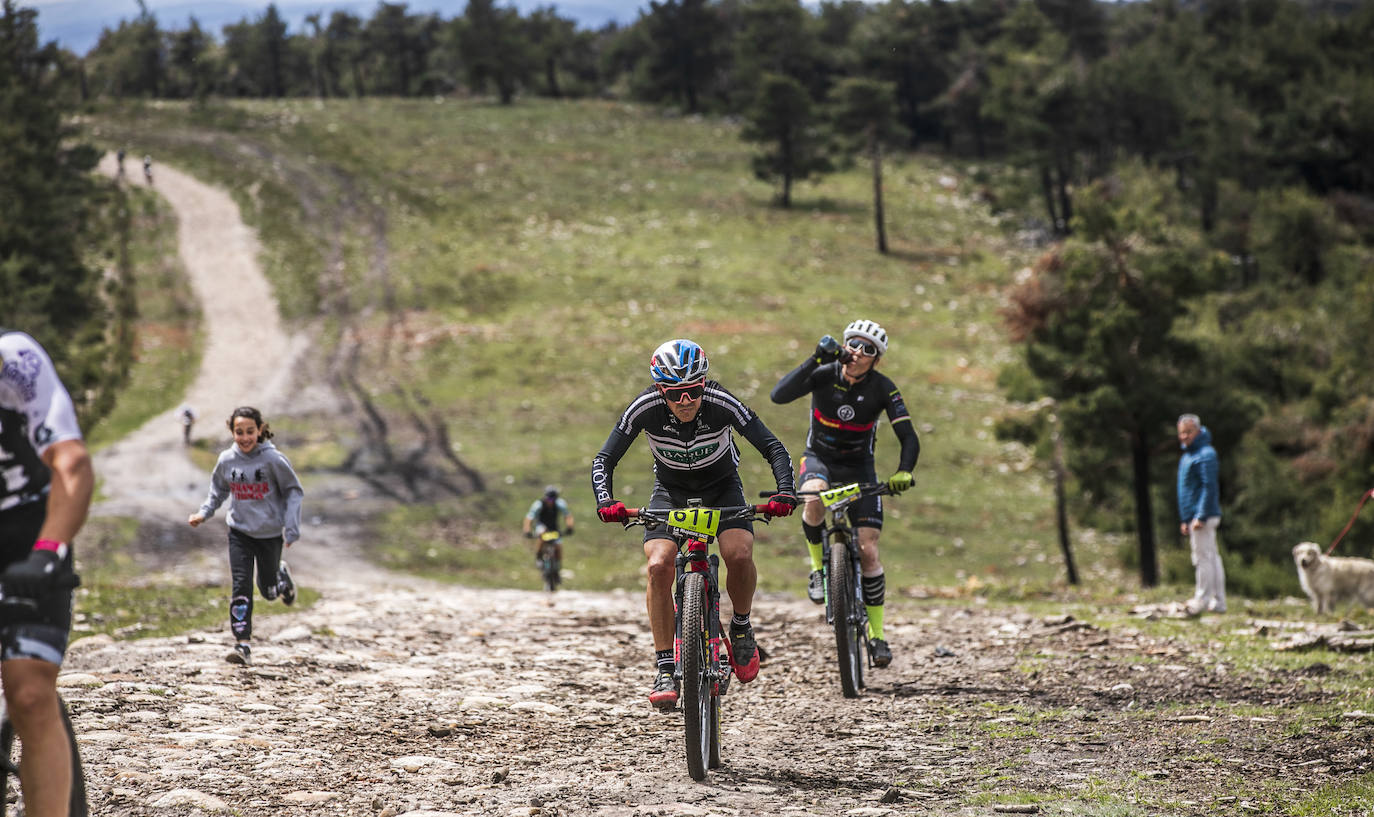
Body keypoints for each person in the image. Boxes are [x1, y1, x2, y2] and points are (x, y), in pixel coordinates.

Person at [592, 339, 796, 710]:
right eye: (675, 394)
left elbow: (773, 447)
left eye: (693, 391)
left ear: (704, 384)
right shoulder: (644, 408)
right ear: (660, 391)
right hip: (670, 492)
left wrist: (785, 492)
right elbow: (604, 458)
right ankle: (665, 667)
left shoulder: (722, 402)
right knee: (657, 565)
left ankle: (741, 627)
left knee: (738, 553)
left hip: (723, 489)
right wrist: (606, 502)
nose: (685, 401)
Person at [769, 319, 919, 668]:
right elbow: (779, 396)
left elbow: (909, 436)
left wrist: (904, 470)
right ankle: (818, 569)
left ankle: (878, 635)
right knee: (813, 495)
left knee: (868, 550)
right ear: (843, 344)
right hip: (819, 459)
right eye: (853, 343)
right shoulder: (824, 374)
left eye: (868, 349)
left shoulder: (883, 388)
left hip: (860, 469)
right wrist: (813, 359)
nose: (858, 352)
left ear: (876, 358)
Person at [0, 328, 94, 817]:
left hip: (27, 532)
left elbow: (71, 462)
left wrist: (47, 550)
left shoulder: (15, 360)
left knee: (31, 692)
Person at [188, 406, 304, 666]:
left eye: (250, 431)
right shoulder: (227, 460)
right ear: (232, 432)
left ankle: (280, 579)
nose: (245, 437)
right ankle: (243, 644)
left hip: (269, 534)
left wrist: (291, 526)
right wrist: (204, 513)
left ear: (260, 430)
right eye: (239, 432)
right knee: (241, 584)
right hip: (239, 531)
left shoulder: (273, 460)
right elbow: (218, 491)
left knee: (269, 591)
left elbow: (294, 491)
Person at [1177, 413, 1225, 616]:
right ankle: (1218, 601)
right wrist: (1185, 518)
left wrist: (1201, 515)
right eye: (1181, 433)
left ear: (1198, 430)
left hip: (1203, 515)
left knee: (1203, 558)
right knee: (1211, 556)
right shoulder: (1189, 455)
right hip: (1193, 515)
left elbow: (1209, 486)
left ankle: (1202, 599)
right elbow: (1186, 490)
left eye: (1188, 432)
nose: (1184, 436)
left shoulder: (1205, 454)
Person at [523, 485, 573, 567]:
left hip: (554, 527)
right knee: (541, 536)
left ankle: (558, 564)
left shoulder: (560, 503)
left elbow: (567, 515)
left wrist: (569, 527)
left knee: (558, 545)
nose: (551, 501)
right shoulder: (538, 505)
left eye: (553, 499)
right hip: (542, 525)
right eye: (549, 499)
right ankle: (538, 557)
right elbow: (529, 518)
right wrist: (527, 530)